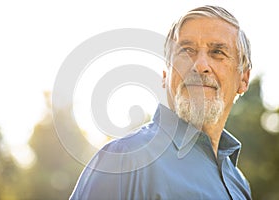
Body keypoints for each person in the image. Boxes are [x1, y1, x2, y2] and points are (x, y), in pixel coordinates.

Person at [70, 5, 252, 200]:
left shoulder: (239, 183)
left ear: (243, 79)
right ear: (166, 76)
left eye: (217, 52)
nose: (200, 66)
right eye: (187, 50)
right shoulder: (124, 159)